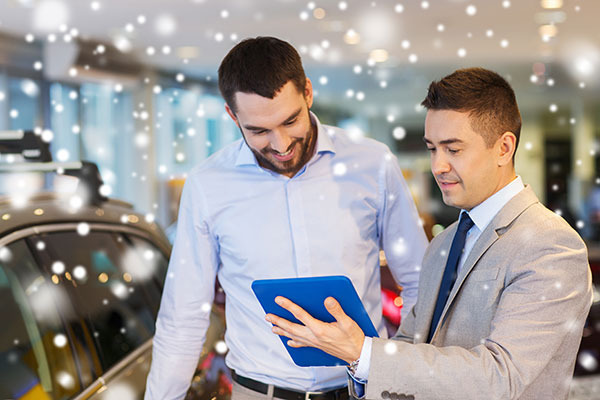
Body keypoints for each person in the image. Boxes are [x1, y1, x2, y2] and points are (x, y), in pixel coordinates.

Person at [267, 67, 593, 400]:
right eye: (432, 149)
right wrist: (357, 360)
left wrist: (364, 354)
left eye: (453, 150)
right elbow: (412, 343)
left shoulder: (551, 244)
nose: (437, 166)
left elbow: (501, 377)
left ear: (504, 148)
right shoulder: (444, 242)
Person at [144, 36, 428, 399]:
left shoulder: (372, 163)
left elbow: (421, 283)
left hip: (363, 389)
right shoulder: (207, 185)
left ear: (307, 93)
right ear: (233, 116)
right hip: (258, 391)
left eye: (290, 121)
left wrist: (399, 369)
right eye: (258, 131)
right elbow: (183, 316)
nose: (280, 145)